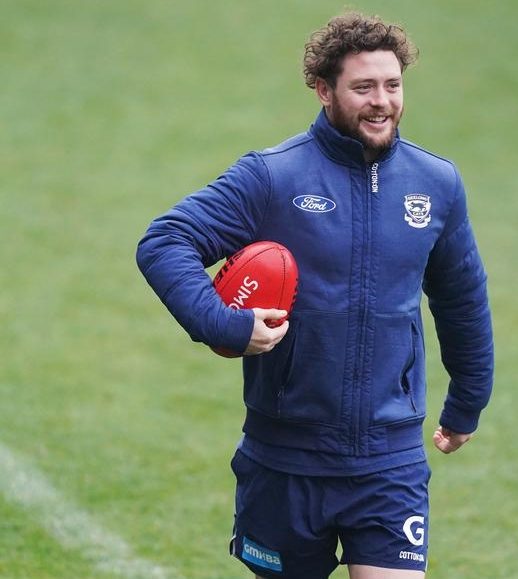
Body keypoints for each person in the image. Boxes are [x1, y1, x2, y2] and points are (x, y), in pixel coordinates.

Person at [136, 12, 494, 579]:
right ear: (324, 90)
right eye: (363, 87)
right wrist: (224, 324)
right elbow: (165, 241)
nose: (382, 101)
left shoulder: (436, 183)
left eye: (393, 85)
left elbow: (461, 297)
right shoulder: (272, 177)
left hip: (389, 459)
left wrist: (469, 398)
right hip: (285, 459)